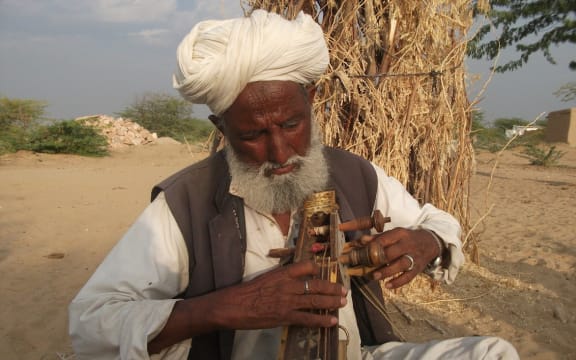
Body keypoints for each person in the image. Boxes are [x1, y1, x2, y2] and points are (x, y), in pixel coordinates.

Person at [68, 9, 519, 360]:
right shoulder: (185, 202)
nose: (281, 153)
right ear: (221, 127)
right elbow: (90, 323)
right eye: (252, 135)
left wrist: (428, 240)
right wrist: (224, 308)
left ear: (313, 101)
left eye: (291, 124)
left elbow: (433, 221)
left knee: (493, 352)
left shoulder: (353, 173)